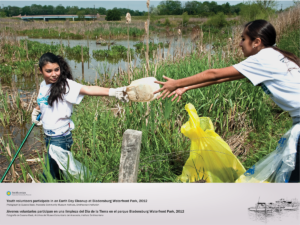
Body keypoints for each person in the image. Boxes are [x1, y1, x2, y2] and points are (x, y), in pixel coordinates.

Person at [154, 20, 300, 183]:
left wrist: (176, 83)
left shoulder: (262, 59)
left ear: (257, 42)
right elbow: (223, 78)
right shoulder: (275, 56)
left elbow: (214, 73)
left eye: (243, 38)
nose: (239, 43)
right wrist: (186, 88)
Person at [31, 52, 128, 181]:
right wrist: (37, 110)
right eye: (48, 71)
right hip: (48, 137)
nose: (54, 74)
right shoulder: (44, 85)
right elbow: (45, 101)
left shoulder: (65, 85)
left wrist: (113, 92)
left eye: (56, 70)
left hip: (59, 139)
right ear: (40, 71)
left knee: (48, 175)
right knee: (59, 173)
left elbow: (88, 89)